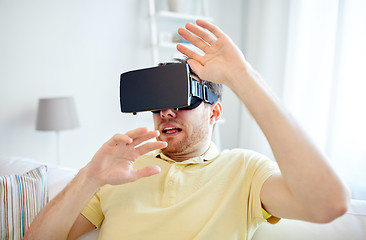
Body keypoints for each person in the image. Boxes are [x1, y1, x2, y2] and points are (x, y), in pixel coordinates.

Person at [24, 20, 350, 240]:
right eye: (158, 104)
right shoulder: (120, 173)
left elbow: (328, 204)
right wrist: (89, 176)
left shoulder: (245, 171)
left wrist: (241, 76)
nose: (166, 111)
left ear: (214, 112)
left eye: (181, 100)